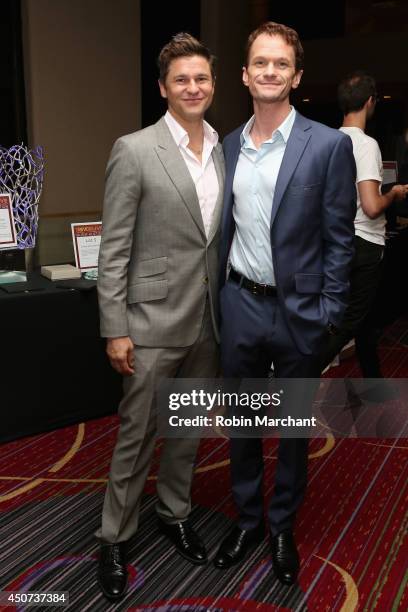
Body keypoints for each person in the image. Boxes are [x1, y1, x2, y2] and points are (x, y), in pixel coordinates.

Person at [213, 21, 356, 585]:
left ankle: (280, 525)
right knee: (243, 422)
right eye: (260, 63)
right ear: (245, 75)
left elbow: (340, 241)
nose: (270, 72)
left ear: (295, 76)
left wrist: (330, 319)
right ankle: (248, 517)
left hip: (301, 313)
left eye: (281, 64)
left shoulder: (327, 145)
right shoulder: (226, 146)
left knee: (293, 426)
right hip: (241, 303)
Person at [96, 33, 224, 601]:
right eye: (181, 79)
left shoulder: (226, 146)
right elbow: (114, 247)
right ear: (163, 88)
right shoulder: (134, 148)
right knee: (136, 434)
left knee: (187, 430)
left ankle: (174, 514)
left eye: (201, 78)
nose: (192, 87)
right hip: (148, 323)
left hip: (209, 320)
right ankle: (114, 536)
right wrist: (115, 326)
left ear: (213, 84)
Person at [319, 72, 408, 376]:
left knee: (362, 321)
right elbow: (370, 206)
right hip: (365, 244)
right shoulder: (366, 145)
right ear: (370, 102)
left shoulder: (327, 141)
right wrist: (393, 194)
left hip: (335, 241)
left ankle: (372, 384)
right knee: (350, 322)